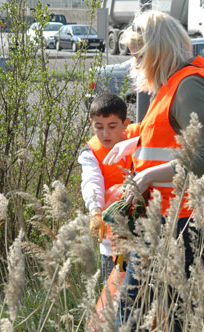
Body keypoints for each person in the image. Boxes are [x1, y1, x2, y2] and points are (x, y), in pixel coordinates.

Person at [103, 10, 204, 331]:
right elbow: (168, 131)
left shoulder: (190, 86)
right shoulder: (175, 82)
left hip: (187, 220)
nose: (134, 64)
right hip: (168, 216)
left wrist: (147, 176)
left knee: (142, 313)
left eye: (137, 56)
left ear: (156, 52)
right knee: (161, 313)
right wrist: (132, 141)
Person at [78, 93, 138, 284]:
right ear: (91, 123)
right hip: (112, 240)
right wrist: (95, 209)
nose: (105, 134)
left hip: (144, 230)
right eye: (99, 127)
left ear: (125, 123)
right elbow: (91, 181)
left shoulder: (140, 135)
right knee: (114, 294)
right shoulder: (91, 152)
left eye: (112, 127)